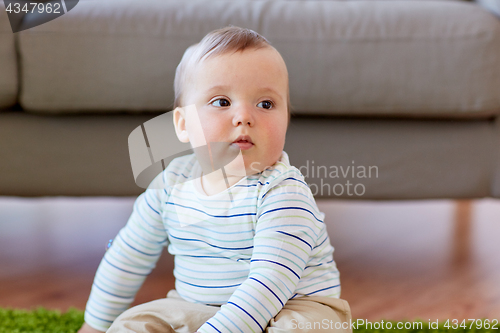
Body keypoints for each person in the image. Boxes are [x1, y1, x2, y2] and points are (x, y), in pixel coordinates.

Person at [78, 26, 352, 333]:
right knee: (134, 325)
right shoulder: (170, 185)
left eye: (266, 104)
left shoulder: (283, 192)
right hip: (196, 307)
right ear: (184, 125)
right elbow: (127, 256)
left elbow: (269, 284)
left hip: (290, 306)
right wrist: (95, 325)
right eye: (222, 102)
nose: (244, 117)